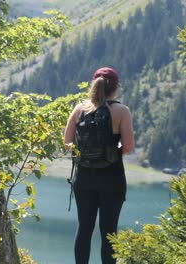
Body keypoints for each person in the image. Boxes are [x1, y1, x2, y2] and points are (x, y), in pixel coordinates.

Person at [64, 67, 134, 264]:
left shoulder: (80, 109)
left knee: (84, 228)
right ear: (116, 87)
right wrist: (113, 148)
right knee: (109, 232)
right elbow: (128, 147)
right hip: (112, 179)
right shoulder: (121, 111)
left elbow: (68, 143)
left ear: (94, 84)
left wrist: (87, 151)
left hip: (84, 178)